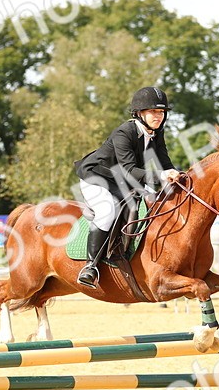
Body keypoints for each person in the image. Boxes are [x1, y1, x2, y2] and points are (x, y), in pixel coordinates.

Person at [73, 86, 182, 288]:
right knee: (108, 210)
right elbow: (130, 170)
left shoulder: (156, 133)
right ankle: (90, 266)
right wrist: (162, 176)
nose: (158, 116)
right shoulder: (125, 132)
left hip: (122, 180)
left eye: (161, 112)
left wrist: (182, 177)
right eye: (152, 112)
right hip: (96, 176)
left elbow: (164, 162)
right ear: (139, 113)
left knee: (153, 201)